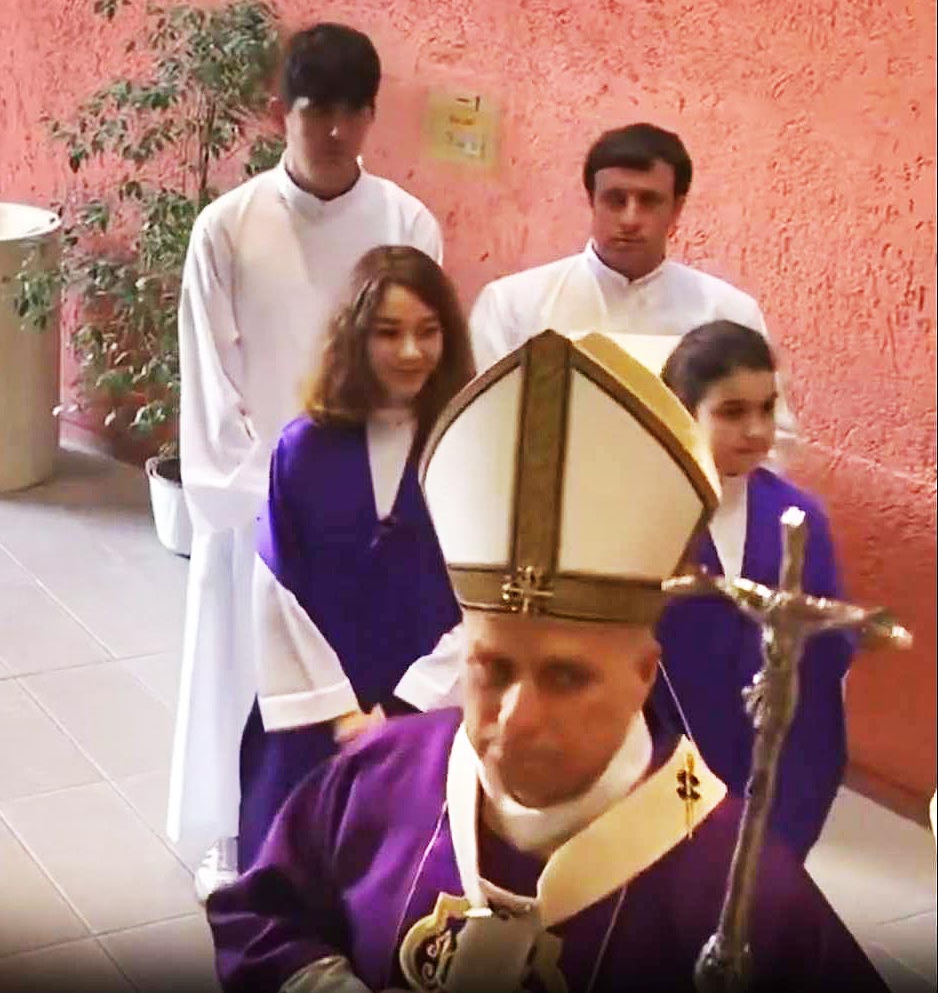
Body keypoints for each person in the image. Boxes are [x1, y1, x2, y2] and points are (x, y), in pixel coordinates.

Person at [207, 330, 886, 993]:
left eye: (566, 676)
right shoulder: (375, 777)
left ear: (644, 674)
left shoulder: (742, 891)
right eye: (493, 669)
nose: (517, 718)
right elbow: (261, 916)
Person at [168, 21, 444, 901]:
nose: (332, 130)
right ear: (277, 112)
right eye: (313, 109)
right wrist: (264, 496)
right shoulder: (228, 226)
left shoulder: (404, 223)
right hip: (256, 492)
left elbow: (420, 358)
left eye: (351, 112)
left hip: (371, 493)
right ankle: (229, 828)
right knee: (238, 670)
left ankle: (358, 841)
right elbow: (209, 376)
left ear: (371, 117)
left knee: (356, 680)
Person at [238, 245, 474, 871]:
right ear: (355, 337)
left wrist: (403, 709)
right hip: (315, 711)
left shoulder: (472, 448)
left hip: (431, 714)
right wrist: (342, 712)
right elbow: (277, 586)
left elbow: (487, 600)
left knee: (406, 878)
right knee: (297, 871)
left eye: (428, 331)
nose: (410, 351)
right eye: (388, 332)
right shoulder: (304, 448)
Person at [469, 122, 795, 456]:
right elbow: (486, 428)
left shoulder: (728, 312)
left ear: (677, 208)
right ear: (591, 201)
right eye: (615, 200)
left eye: (649, 201)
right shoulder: (512, 305)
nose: (630, 218)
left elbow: (772, 437)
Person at [653, 321, 853, 860]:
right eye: (732, 412)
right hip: (666, 767)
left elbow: (824, 663)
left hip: (777, 765)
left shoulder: (800, 516)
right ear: (681, 411)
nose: (757, 430)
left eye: (767, 408)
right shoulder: (648, 516)